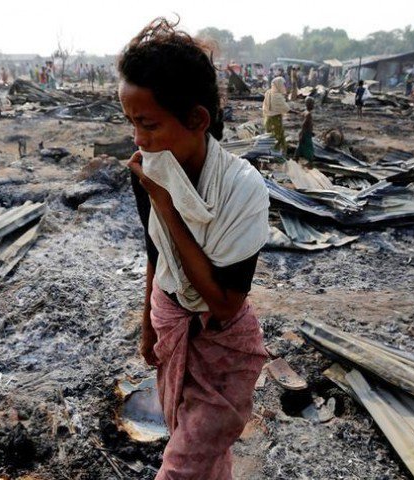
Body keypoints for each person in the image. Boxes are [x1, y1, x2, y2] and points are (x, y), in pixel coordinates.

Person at [119, 18, 269, 479]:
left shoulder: (242, 189)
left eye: (149, 124)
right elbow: (155, 253)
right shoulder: (148, 169)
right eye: (131, 124)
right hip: (170, 323)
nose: (140, 141)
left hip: (219, 345)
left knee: (182, 465)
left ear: (198, 120)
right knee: (198, 447)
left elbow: (224, 303)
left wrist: (166, 202)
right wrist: (148, 326)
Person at [262, 76, 291, 153]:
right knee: (276, 138)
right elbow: (286, 109)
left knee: (272, 137)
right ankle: (276, 155)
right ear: (279, 84)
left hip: (268, 119)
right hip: (275, 120)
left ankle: (278, 153)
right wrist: (298, 112)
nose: (284, 86)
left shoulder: (268, 92)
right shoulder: (277, 96)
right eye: (283, 84)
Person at [294, 97, 315, 161]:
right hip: (306, 133)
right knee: (309, 148)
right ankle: (310, 161)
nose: (313, 105)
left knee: (301, 146)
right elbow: (304, 124)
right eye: (312, 104)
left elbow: (307, 124)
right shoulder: (308, 114)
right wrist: (302, 133)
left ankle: (296, 158)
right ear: (309, 104)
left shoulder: (305, 112)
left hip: (305, 132)